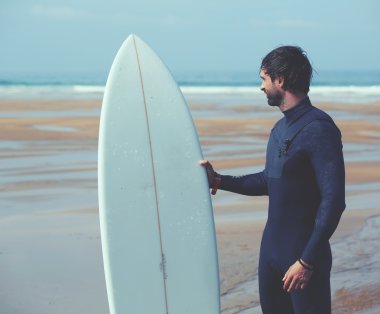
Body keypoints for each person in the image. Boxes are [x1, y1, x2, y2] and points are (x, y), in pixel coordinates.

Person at [201, 46, 345, 314]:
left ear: (280, 80)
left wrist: (307, 261)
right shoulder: (280, 129)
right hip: (271, 256)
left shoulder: (319, 129)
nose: (261, 87)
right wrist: (219, 180)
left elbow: (334, 200)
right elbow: (270, 181)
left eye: (263, 79)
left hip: (302, 260)